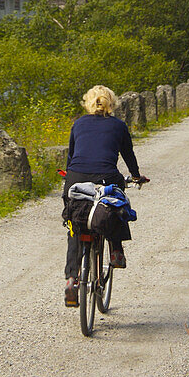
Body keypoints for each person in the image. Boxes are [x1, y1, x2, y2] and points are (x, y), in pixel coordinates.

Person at [63, 84, 148, 307]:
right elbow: (128, 155)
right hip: (105, 177)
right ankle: (117, 251)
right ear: (112, 103)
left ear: (88, 102)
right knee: (117, 203)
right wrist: (136, 176)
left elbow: (72, 157)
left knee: (75, 225)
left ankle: (72, 280)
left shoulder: (79, 123)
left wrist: (70, 179)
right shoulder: (118, 125)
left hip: (75, 179)